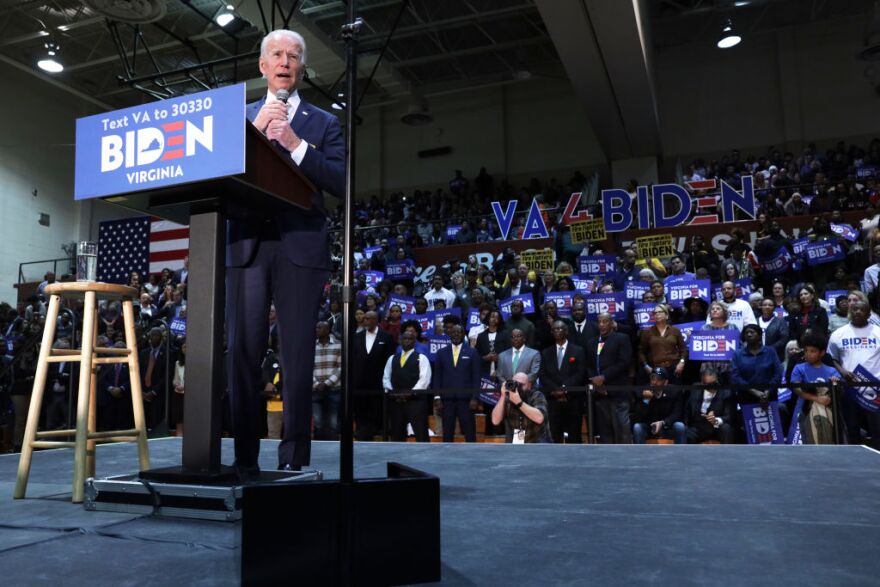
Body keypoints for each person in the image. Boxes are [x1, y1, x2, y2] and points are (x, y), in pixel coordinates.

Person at [227, 29, 344, 474]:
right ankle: (243, 461)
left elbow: (339, 180)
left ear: (301, 68)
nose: (285, 61)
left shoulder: (323, 123)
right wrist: (254, 133)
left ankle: (294, 463)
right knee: (242, 353)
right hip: (246, 247)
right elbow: (220, 168)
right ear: (262, 65)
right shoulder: (238, 119)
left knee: (297, 358)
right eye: (276, 53)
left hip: (301, 247)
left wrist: (295, 144)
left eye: (293, 55)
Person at [827, 299, 880, 448]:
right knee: (852, 428)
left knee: (877, 430)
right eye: (854, 309)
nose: (857, 312)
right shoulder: (838, 334)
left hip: (875, 389)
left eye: (861, 309)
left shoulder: (878, 332)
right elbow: (832, 358)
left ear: (869, 313)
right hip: (850, 389)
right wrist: (843, 372)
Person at [586, 313, 633, 444]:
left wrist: (604, 377)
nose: (601, 324)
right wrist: (596, 382)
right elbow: (588, 365)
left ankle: (625, 458)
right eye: (599, 322)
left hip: (617, 390)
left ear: (612, 323)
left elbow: (624, 362)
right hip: (600, 392)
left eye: (605, 321)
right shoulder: (592, 342)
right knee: (605, 430)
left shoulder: (622, 338)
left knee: (621, 428)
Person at [540, 320, 586, 443]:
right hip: (553, 400)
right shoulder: (545, 353)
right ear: (551, 332)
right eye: (555, 329)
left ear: (566, 331)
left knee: (574, 435)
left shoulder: (578, 350)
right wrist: (555, 389)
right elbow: (543, 375)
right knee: (554, 435)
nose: (557, 331)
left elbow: (580, 373)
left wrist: (565, 388)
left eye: (560, 328)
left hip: (573, 399)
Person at [432, 324, 481, 442]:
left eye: (458, 332)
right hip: (446, 400)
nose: (456, 335)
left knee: (469, 432)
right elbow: (437, 376)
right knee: (447, 433)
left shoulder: (472, 352)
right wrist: (437, 397)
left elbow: (476, 377)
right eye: (453, 332)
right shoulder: (441, 353)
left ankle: (473, 457)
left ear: (463, 334)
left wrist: (475, 397)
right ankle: (447, 458)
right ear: (449, 334)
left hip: (466, 400)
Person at [790, 333, 841, 445]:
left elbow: (839, 392)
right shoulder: (799, 368)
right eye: (806, 350)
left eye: (812, 351)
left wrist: (835, 384)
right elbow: (796, 389)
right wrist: (816, 398)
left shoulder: (832, 371)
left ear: (822, 353)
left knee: (827, 440)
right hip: (804, 410)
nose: (808, 354)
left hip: (827, 411)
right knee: (807, 441)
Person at [353, 310, 395, 441]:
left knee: (376, 408)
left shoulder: (386, 337)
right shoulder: (357, 337)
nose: (368, 321)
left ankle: (375, 431)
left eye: (371, 319)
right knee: (360, 408)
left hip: (378, 381)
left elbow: (390, 360)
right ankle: (361, 431)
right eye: (366, 318)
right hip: (359, 382)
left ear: (377, 320)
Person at [383, 330, 432, 442]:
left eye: (410, 339)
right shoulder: (392, 358)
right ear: (400, 341)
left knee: (421, 433)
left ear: (414, 341)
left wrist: (410, 393)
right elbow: (386, 378)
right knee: (397, 434)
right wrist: (394, 393)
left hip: (416, 402)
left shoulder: (421, 358)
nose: (407, 341)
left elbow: (424, 379)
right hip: (397, 401)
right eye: (404, 339)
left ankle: (425, 457)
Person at [490, 372, 551, 443]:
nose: (518, 387)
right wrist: (503, 396)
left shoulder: (536, 395)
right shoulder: (508, 397)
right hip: (519, 439)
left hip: (538, 439)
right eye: (516, 383)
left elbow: (539, 418)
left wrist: (518, 402)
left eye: (522, 385)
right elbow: (495, 421)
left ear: (529, 386)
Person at [731, 324, 783, 406]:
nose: (749, 334)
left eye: (752, 332)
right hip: (746, 397)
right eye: (746, 333)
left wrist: (768, 391)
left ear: (759, 335)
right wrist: (753, 391)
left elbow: (778, 373)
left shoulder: (770, 351)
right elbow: (735, 376)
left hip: (769, 396)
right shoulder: (737, 354)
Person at [632, 367, 686, 444]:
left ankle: (681, 454)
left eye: (659, 380)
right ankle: (640, 455)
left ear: (666, 382)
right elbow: (638, 417)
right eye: (653, 379)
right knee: (637, 427)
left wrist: (662, 423)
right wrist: (646, 400)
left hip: (667, 427)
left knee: (679, 426)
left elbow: (676, 414)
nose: (654, 382)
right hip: (650, 428)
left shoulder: (674, 392)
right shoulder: (644, 391)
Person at [683, 367, 735, 444]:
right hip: (698, 427)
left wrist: (716, 420)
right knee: (687, 433)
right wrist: (686, 425)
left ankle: (726, 454)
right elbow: (687, 410)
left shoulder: (726, 393)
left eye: (714, 383)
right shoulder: (695, 388)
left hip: (716, 428)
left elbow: (729, 416)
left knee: (726, 429)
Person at [638, 303, 687, 383]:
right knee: (659, 393)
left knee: (674, 392)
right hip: (656, 369)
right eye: (655, 313)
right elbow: (641, 351)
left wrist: (681, 363)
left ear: (667, 315)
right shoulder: (647, 332)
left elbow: (683, 349)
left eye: (660, 312)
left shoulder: (675, 330)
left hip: (674, 368)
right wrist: (646, 366)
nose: (657, 314)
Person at [312, 321, 342, 440]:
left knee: (333, 423)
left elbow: (341, 368)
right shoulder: (311, 345)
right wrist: (316, 384)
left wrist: (326, 383)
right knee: (318, 422)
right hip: (316, 390)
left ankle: (333, 451)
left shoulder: (338, 345)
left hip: (334, 389)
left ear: (327, 330)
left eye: (319, 327)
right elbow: (308, 367)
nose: (316, 329)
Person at [171, 341, 186, 437]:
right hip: (179, 393)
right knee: (178, 416)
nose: (186, 349)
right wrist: (176, 384)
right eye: (184, 347)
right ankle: (179, 435)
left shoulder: (196, 361)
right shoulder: (178, 363)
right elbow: (175, 379)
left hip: (192, 394)